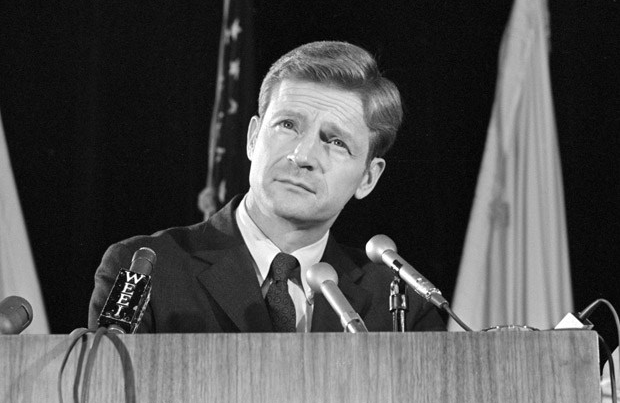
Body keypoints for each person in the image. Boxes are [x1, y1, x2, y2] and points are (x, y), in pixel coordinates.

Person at [88, 41, 446, 333]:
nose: (302, 155)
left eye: (336, 142)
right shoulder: (148, 271)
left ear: (368, 178)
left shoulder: (399, 306)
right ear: (253, 138)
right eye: (288, 125)